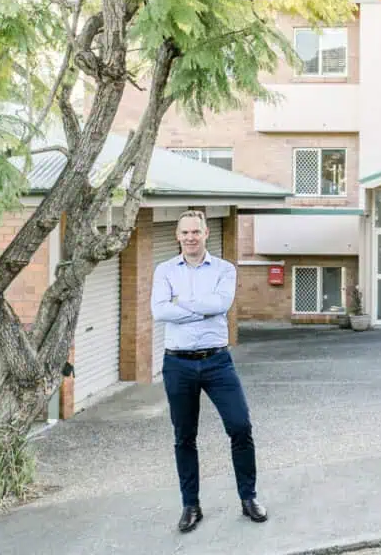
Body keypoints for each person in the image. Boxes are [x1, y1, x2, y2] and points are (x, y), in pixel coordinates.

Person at [150, 210, 267, 533]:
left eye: (196, 232)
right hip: (178, 364)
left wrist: (181, 304)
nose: (190, 237)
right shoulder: (164, 270)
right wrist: (199, 307)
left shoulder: (224, 269)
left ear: (206, 235)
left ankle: (248, 498)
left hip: (217, 361)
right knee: (184, 436)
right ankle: (191, 505)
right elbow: (159, 311)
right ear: (177, 235)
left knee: (240, 426)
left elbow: (221, 305)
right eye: (184, 232)